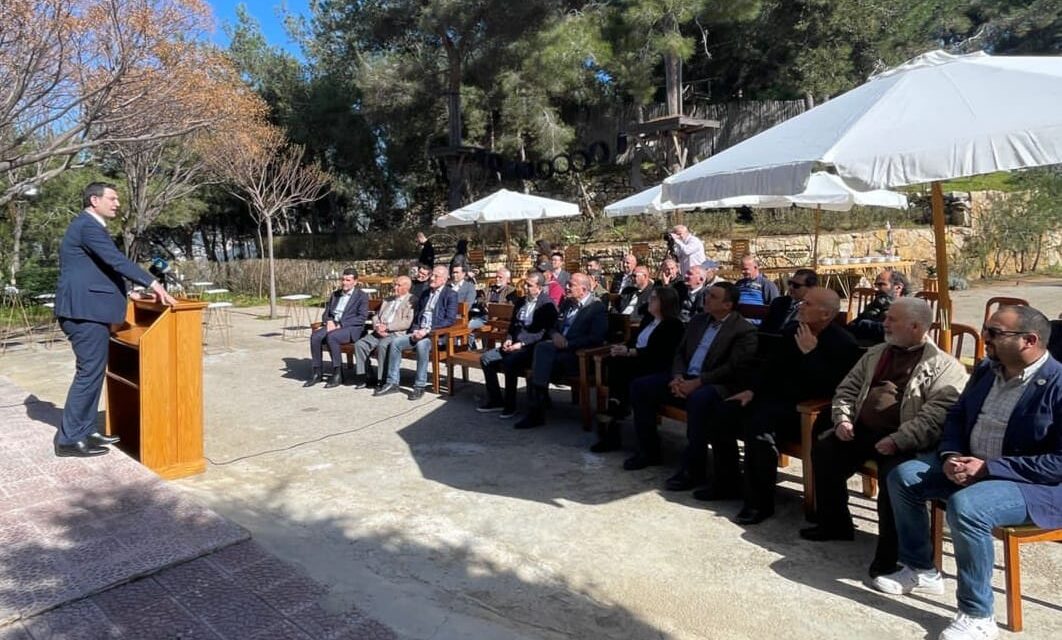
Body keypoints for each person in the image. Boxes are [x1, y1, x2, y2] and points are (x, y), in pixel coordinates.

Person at [871, 305, 1062, 640]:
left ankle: (978, 615)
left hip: (1032, 484)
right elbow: (958, 416)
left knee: (968, 507)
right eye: (986, 330)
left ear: (1029, 341)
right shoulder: (988, 369)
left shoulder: (1057, 385)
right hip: (971, 464)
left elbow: (1057, 462)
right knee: (903, 477)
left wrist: (989, 468)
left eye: (994, 333)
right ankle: (921, 569)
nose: (984, 337)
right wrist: (951, 454)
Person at [802, 298, 968, 579]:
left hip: (906, 440)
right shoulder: (877, 353)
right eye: (886, 317)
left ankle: (890, 556)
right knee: (826, 449)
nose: (884, 323)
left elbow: (935, 418)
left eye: (892, 319)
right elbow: (847, 389)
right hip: (864, 430)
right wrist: (842, 418)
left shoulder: (945, 367)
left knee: (895, 478)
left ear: (916, 327)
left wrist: (898, 440)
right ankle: (835, 523)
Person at [54, 182, 176, 457]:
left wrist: (129, 292)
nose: (117, 203)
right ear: (94, 200)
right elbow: (115, 260)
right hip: (84, 313)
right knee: (88, 373)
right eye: (112, 198)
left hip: (89, 311)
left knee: (94, 372)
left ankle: (86, 430)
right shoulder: (87, 226)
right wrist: (153, 283)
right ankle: (69, 440)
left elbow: (99, 271)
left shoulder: (89, 226)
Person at [722, 288, 862, 524]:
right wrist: (752, 390)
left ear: (825, 314)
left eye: (808, 304)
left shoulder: (843, 343)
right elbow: (769, 367)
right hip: (776, 400)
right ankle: (727, 483)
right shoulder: (792, 331)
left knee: (759, 428)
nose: (801, 307)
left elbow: (835, 388)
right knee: (723, 411)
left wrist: (811, 353)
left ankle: (759, 504)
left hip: (810, 411)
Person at [626, 282, 758, 471]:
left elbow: (732, 367)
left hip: (714, 383)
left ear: (728, 305)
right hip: (686, 377)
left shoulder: (743, 330)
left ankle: (693, 467)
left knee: (698, 400)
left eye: (713, 296)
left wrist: (698, 382)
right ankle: (648, 451)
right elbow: (680, 352)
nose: (706, 299)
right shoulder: (698, 321)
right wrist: (677, 375)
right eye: (707, 294)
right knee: (641, 386)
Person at [592, 286, 685, 452]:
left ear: (665, 303)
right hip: (635, 363)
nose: (649, 301)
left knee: (622, 367)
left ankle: (615, 412)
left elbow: (660, 353)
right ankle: (616, 409)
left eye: (654, 298)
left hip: (654, 366)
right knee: (615, 361)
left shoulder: (673, 325)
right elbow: (634, 341)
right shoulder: (648, 319)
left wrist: (630, 352)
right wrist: (623, 348)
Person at [514, 273, 608, 429]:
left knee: (540, 355)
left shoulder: (596, 308)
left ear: (583, 289)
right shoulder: (567, 303)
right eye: (567, 284)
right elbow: (553, 326)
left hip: (578, 357)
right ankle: (538, 406)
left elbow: (596, 338)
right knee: (541, 351)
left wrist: (568, 344)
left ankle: (536, 410)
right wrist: (555, 334)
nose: (567, 287)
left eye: (571, 285)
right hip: (557, 351)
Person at [476, 272, 559, 416]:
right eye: (525, 284)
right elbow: (513, 325)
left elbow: (544, 333)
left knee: (510, 361)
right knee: (486, 358)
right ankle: (496, 400)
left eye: (529, 285)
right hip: (514, 344)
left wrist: (522, 344)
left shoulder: (547, 305)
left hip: (532, 347)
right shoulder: (521, 302)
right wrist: (509, 339)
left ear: (539, 288)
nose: (525, 287)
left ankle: (510, 404)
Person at [377, 265, 457, 400]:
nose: (432, 278)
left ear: (444, 279)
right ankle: (392, 382)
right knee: (396, 343)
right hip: (418, 332)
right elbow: (418, 315)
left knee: (422, 345)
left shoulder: (450, 294)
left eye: (436, 276)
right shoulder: (426, 293)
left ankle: (419, 386)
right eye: (432, 275)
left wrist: (427, 331)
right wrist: (415, 330)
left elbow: (449, 320)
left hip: (435, 335)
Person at [305, 268, 371, 388]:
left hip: (351, 328)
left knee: (332, 337)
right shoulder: (335, 294)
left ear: (355, 282)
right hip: (334, 324)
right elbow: (326, 313)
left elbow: (361, 318)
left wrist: (341, 325)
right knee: (315, 336)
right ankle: (317, 372)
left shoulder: (361, 296)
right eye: (343, 280)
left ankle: (338, 373)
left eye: (348, 280)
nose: (344, 283)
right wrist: (329, 321)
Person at [352, 276, 415, 389]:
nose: (395, 288)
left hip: (395, 332)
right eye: (394, 285)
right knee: (360, 345)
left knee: (382, 345)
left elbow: (406, 322)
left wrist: (387, 327)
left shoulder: (412, 300)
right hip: (379, 330)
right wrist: (377, 326)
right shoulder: (388, 299)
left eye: (398, 285)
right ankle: (367, 376)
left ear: (407, 287)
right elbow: (376, 315)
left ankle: (383, 379)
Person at [849, 269, 910, 343]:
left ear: (898, 287)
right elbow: (854, 324)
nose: (876, 289)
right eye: (876, 285)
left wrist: (864, 324)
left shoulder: (906, 308)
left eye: (881, 284)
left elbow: (894, 331)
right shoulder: (877, 303)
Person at [761, 269, 818, 333]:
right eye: (790, 283)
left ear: (811, 288)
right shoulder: (778, 302)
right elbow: (763, 328)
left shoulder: (815, 309)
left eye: (796, 285)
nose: (791, 287)